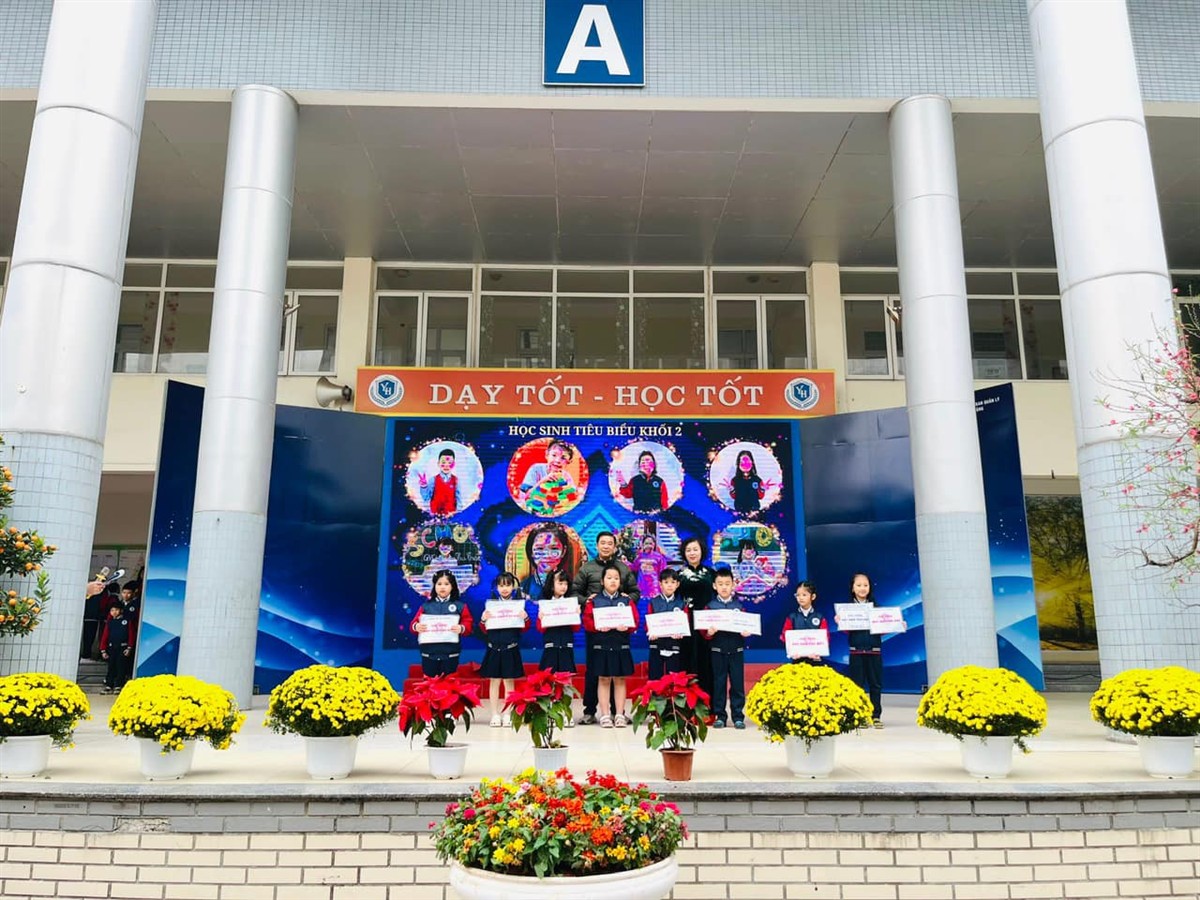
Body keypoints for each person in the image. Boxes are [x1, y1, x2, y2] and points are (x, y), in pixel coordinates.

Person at [572, 531, 640, 724]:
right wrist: (587, 601)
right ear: (597, 545)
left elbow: (635, 592)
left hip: (619, 630)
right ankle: (590, 711)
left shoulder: (623, 568)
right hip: (597, 629)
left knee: (617, 672)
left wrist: (627, 601)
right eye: (603, 543)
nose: (606, 546)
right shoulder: (587, 568)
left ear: (615, 546)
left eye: (610, 543)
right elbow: (575, 592)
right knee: (595, 670)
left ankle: (618, 712)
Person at [834, 572, 899, 729]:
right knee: (857, 685)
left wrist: (896, 624)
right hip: (856, 651)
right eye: (858, 585)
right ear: (852, 588)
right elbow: (847, 631)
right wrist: (840, 622)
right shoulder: (846, 610)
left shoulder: (877, 608)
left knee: (875, 685)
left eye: (865, 585)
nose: (862, 588)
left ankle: (876, 716)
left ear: (870, 588)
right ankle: (860, 716)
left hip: (874, 651)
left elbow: (882, 629)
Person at [582, 564, 639, 728]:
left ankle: (620, 714)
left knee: (620, 679)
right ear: (602, 581)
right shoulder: (594, 601)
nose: (613, 581)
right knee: (603, 678)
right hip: (601, 645)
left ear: (620, 581)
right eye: (609, 578)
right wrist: (597, 627)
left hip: (620, 644)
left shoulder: (626, 601)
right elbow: (587, 621)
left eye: (616, 578)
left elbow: (635, 621)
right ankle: (605, 715)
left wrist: (627, 627)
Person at [478, 571, 529, 727]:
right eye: (501, 586)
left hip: (510, 648)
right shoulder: (491, 605)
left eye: (508, 585)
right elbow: (483, 629)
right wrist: (483, 619)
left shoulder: (517, 605)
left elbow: (526, 627)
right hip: (494, 648)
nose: (504, 589)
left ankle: (507, 713)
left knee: (509, 681)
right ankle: (494, 714)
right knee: (494, 681)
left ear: (513, 587)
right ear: (497, 587)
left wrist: (525, 617)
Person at [702, 569, 749, 729]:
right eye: (720, 584)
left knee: (737, 684)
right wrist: (709, 632)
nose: (724, 587)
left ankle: (738, 716)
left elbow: (747, 627)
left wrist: (745, 632)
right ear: (714, 586)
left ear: (733, 585)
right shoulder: (710, 607)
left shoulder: (739, 607)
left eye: (727, 584)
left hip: (736, 650)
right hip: (717, 650)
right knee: (719, 684)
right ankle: (720, 716)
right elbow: (703, 631)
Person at [410, 569, 473, 676]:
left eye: (446, 584)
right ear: (434, 586)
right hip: (429, 653)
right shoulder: (426, 606)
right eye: (439, 584)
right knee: (430, 683)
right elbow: (413, 625)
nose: (442, 587)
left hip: (451, 653)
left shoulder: (460, 606)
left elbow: (469, 624)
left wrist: (462, 628)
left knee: (449, 683)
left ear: (452, 586)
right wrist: (416, 626)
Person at [537, 568, 579, 727]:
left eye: (566, 583)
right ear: (551, 584)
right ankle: (550, 713)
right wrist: (541, 618)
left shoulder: (570, 603)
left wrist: (576, 615)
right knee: (549, 681)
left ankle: (567, 713)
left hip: (566, 646)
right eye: (560, 583)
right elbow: (540, 629)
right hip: (551, 647)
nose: (563, 586)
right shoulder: (546, 603)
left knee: (567, 682)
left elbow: (576, 628)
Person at [677, 537, 717, 698]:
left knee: (706, 661)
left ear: (702, 551)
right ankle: (686, 704)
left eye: (695, 549)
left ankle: (708, 703)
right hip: (685, 623)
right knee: (686, 660)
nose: (692, 553)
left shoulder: (711, 574)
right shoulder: (678, 575)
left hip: (707, 624)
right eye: (688, 550)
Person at [646, 568, 688, 679]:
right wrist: (651, 632)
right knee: (655, 677)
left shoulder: (681, 604)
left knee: (674, 677)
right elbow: (648, 623)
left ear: (677, 584)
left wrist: (681, 633)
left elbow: (685, 623)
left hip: (674, 643)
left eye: (673, 582)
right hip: (656, 643)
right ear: (660, 584)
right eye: (666, 582)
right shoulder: (653, 602)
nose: (669, 585)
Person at [517, 440, 579, 515]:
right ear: (547, 455)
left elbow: (572, 498)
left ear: (569, 461)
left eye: (563, 458)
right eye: (554, 455)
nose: (557, 460)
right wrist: (543, 481)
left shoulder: (566, 477)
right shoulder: (535, 469)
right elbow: (526, 496)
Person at [521, 523, 575, 599]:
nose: (547, 555)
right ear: (531, 552)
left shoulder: (569, 585)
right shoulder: (525, 586)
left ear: (563, 551)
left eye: (554, 548)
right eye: (540, 548)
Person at [782, 580, 827, 665]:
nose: (800, 598)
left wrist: (819, 651)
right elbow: (785, 636)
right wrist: (792, 650)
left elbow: (825, 637)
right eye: (798, 595)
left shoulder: (820, 617)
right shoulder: (792, 617)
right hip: (797, 659)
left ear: (813, 596)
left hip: (815, 660)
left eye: (804, 595)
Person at [723, 449, 776, 515]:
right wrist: (732, 490)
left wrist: (762, 489)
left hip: (755, 512)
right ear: (738, 464)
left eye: (747, 462)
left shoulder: (757, 480)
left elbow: (760, 497)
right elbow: (734, 496)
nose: (745, 465)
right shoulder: (734, 480)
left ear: (752, 463)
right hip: (740, 511)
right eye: (742, 463)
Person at [99, 602, 135, 694]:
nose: (114, 612)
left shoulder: (126, 621)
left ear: (121, 610)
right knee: (111, 666)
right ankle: (109, 685)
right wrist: (103, 650)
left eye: (116, 610)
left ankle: (118, 685)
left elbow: (131, 635)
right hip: (111, 648)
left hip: (123, 647)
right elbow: (105, 636)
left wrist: (129, 647)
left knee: (121, 666)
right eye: (112, 610)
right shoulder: (110, 622)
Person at [418, 447, 461, 516]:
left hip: (451, 516)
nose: (446, 465)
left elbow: (459, 500)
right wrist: (423, 486)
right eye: (443, 462)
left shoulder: (456, 480)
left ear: (454, 464)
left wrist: (458, 513)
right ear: (438, 463)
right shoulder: (433, 479)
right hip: (435, 516)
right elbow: (426, 498)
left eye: (450, 463)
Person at [633, 533, 670, 601]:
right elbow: (634, 568)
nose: (648, 545)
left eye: (650, 543)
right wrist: (626, 562)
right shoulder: (639, 557)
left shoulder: (659, 557)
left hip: (655, 588)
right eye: (646, 543)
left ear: (654, 544)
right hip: (642, 586)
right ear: (643, 544)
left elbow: (663, 573)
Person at [79, 575, 108, 662]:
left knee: (89, 637)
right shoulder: (95, 592)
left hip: (92, 617)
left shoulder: (98, 592)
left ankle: (86, 655)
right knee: (88, 637)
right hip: (91, 617)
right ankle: (86, 655)